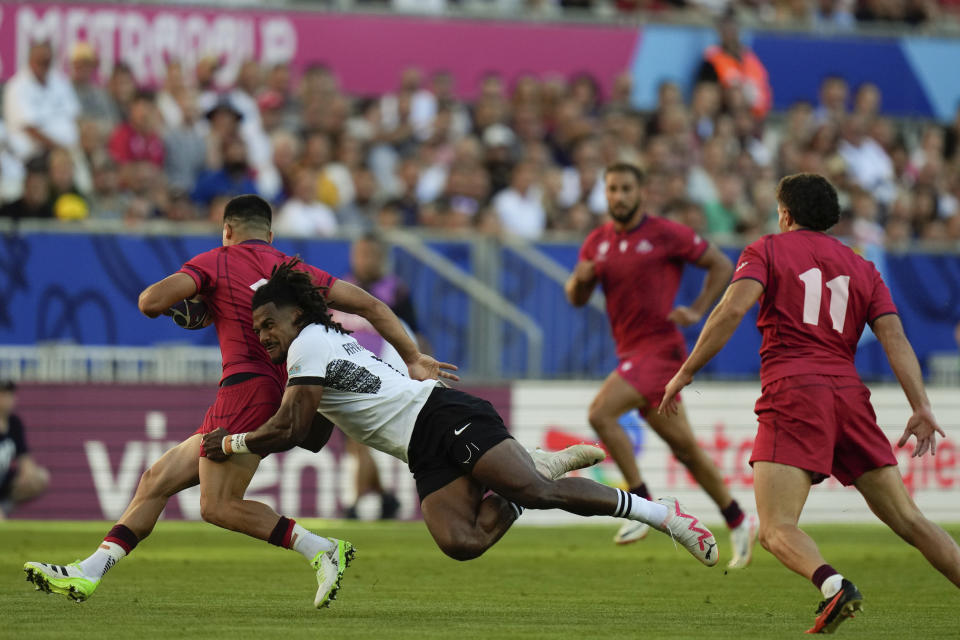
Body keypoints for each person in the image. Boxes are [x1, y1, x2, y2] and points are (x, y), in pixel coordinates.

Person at [199, 259, 720, 605]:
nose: (263, 335)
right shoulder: (314, 345)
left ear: (295, 315)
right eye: (258, 329)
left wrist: (232, 442)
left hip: (440, 416)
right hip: (420, 449)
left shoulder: (307, 344)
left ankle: (661, 514)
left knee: (538, 492)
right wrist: (290, 423)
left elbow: (290, 427)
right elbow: (306, 434)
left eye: (268, 324)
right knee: (461, 542)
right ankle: (532, 470)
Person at [23, 194, 454, 608]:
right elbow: (372, 305)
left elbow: (149, 301)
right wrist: (413, 357)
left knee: (217, 504)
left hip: (245, 388)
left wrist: (190, 307)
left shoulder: (215, 260)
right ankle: (88, 572)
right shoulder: (291, 271)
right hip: (289, 387)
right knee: (156, 480)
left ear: (227, 229)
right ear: (268, 234)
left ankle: (322, 549)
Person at [659, 173, 960, 634]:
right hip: (849, 394)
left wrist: (686, 370)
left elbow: (732, 309)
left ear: (785, 213)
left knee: (776, 529)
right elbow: (894, 336)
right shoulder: (863, 267)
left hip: (795, 390)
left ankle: (832, 584)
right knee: (911, 520)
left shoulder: (767, 250)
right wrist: (920, 405)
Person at [565, 162, 758, 569]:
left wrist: (699, 310)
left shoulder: (665, 233)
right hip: (631, 354)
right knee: (685, 448)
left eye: (625, 189)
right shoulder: (597, 242)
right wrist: (580, 280)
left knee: (601, 413)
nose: (618, 196)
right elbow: (576, 300)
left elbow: (722, 264)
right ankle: (738, 519)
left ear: (642, 192)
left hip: (659, 351)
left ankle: (640, 504)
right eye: (612, 189)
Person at [695, 13, 772, 120]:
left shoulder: (752, 59)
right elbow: (706, 93)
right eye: (725, 30)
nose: (729, 33)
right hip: (725, 117)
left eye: (732, 28)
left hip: (755, 117)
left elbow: (764, 90)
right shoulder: (712, 60)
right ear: (719, 32)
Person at [0, 380, 50, 518]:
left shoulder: (14, 423)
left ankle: (4, 508)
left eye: (9, 395)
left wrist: (27, 472)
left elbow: (24, 457)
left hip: (4, 482)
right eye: (3, 395)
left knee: (39, 478)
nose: (9, 399)